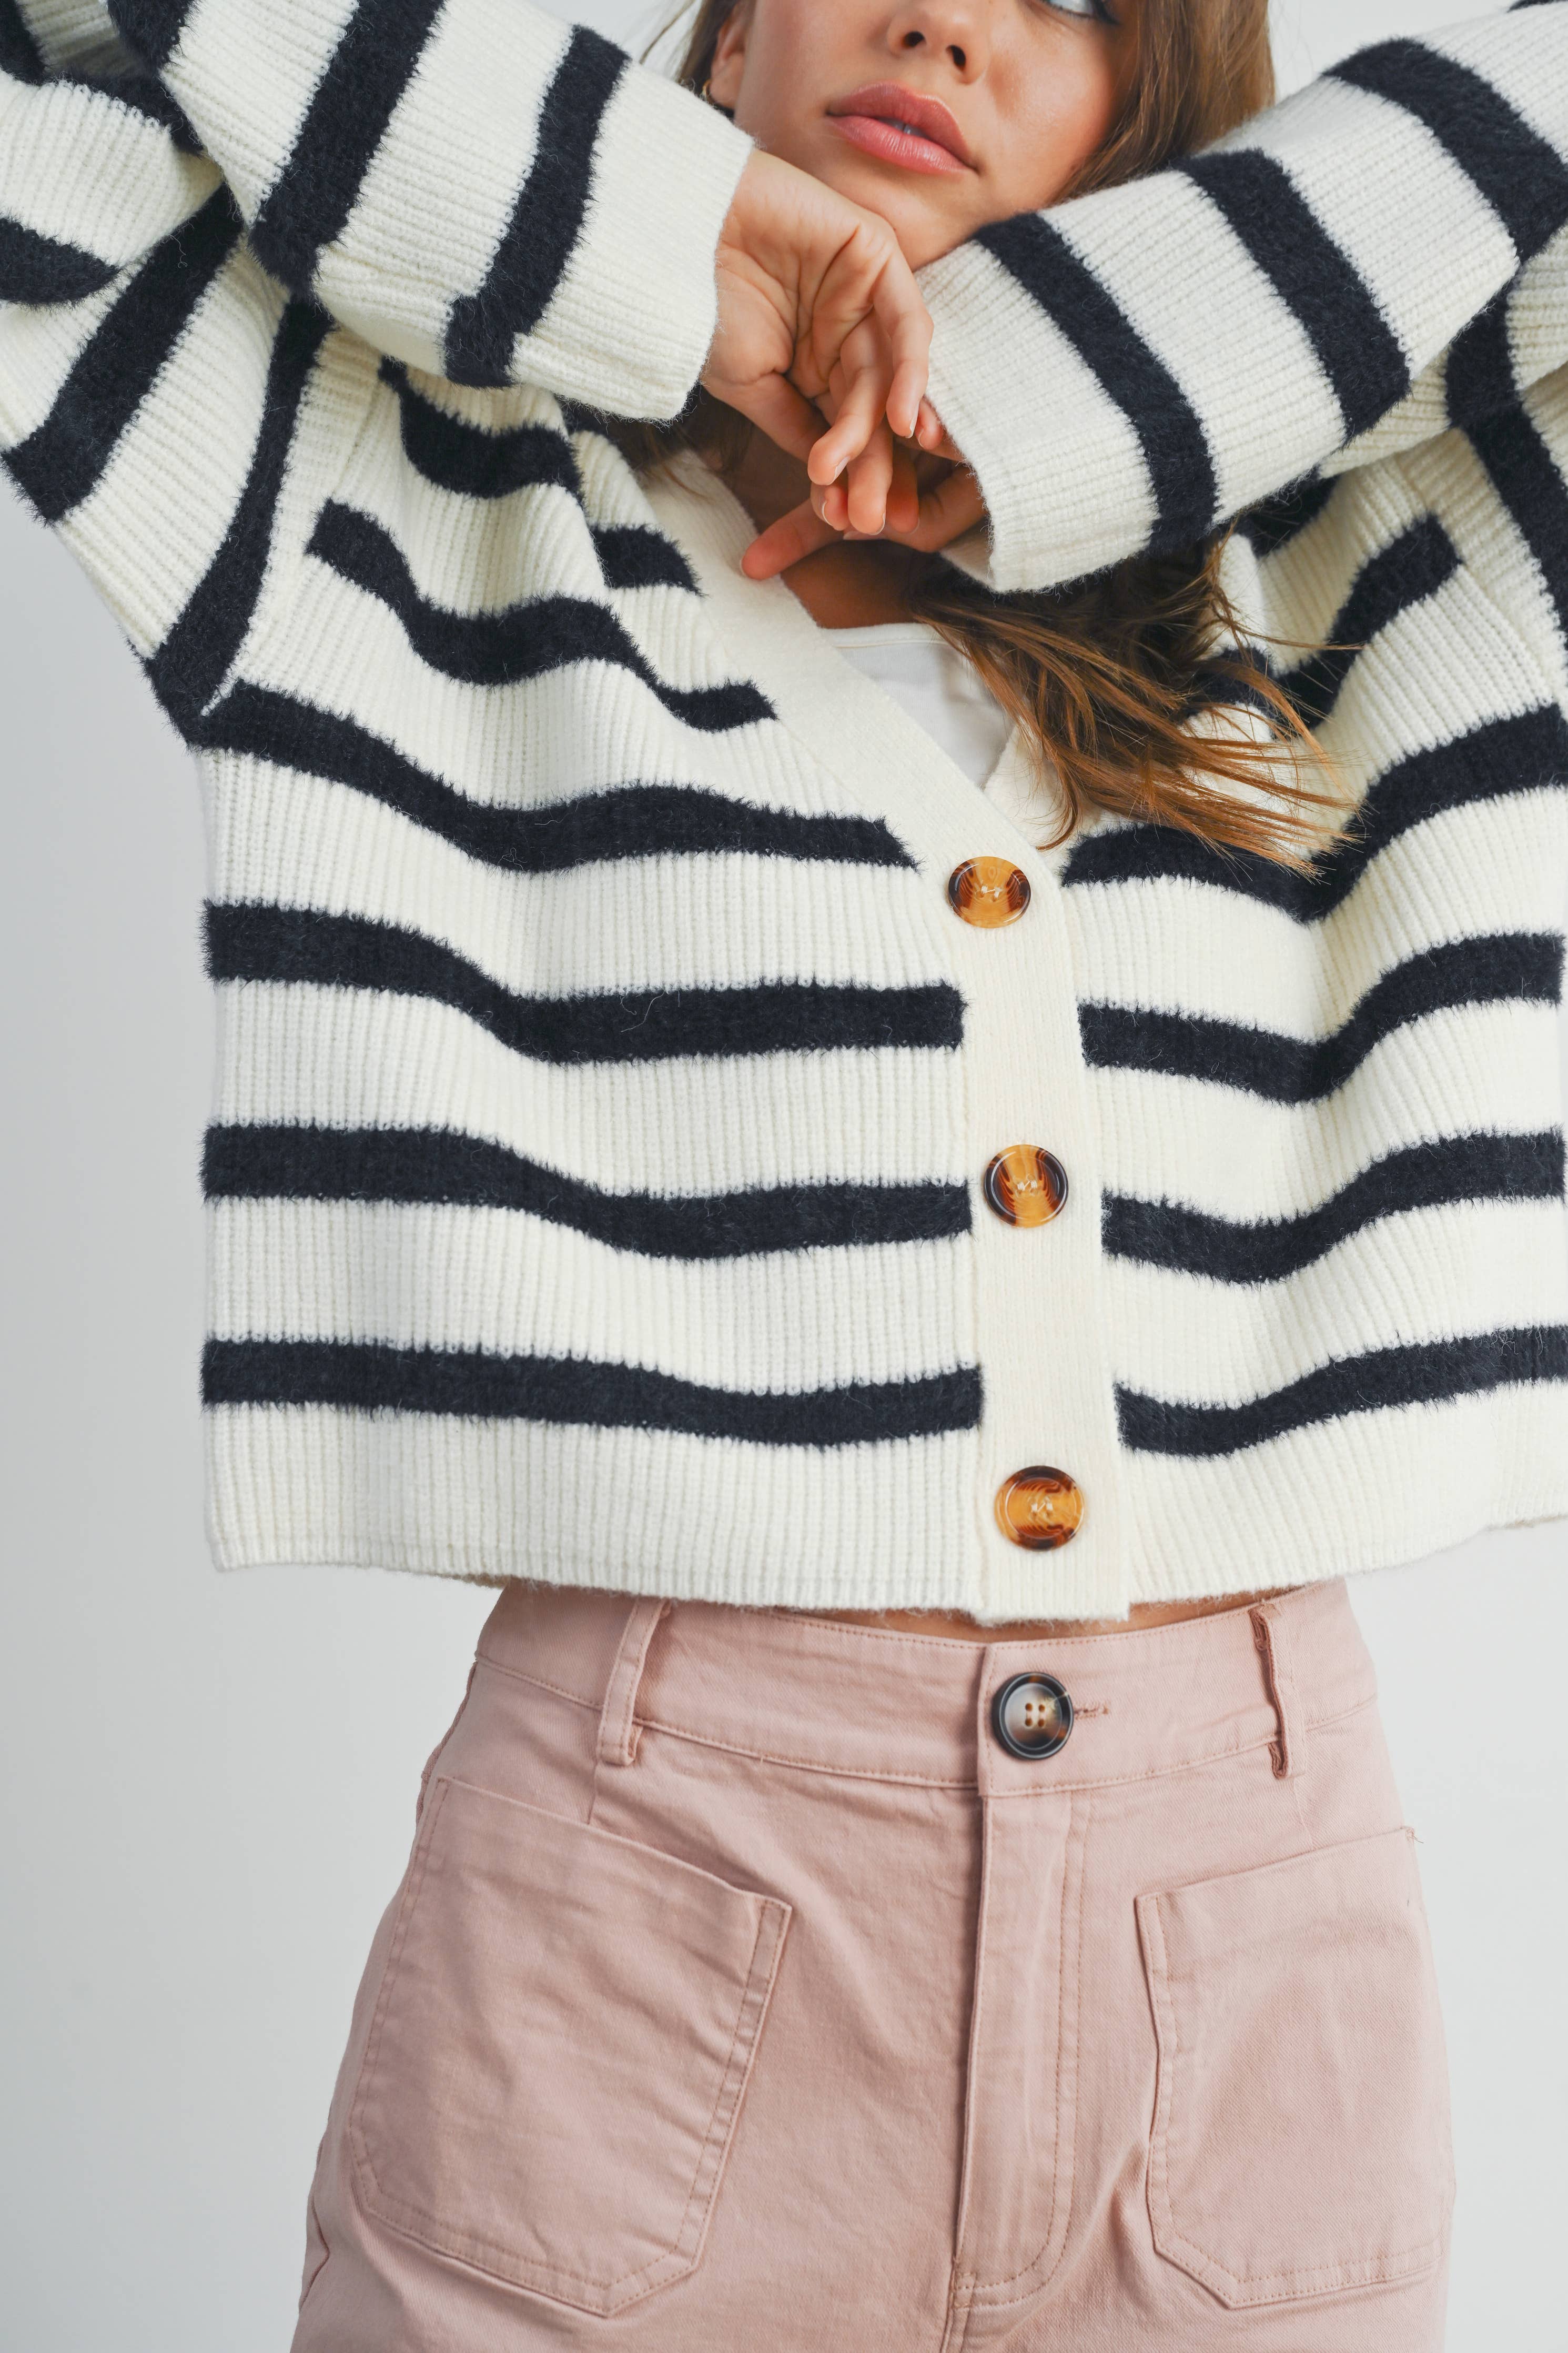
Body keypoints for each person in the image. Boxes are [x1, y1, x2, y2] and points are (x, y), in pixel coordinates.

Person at [2, 0, 1564, 2341]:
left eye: (1075, 8)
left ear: (1159, 117)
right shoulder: (363, 487)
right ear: (729, 27)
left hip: (1244, 1947)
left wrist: (1062, 393)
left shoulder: (1379, 566)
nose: (946, 21)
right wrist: (665, 247)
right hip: (637, 1917)